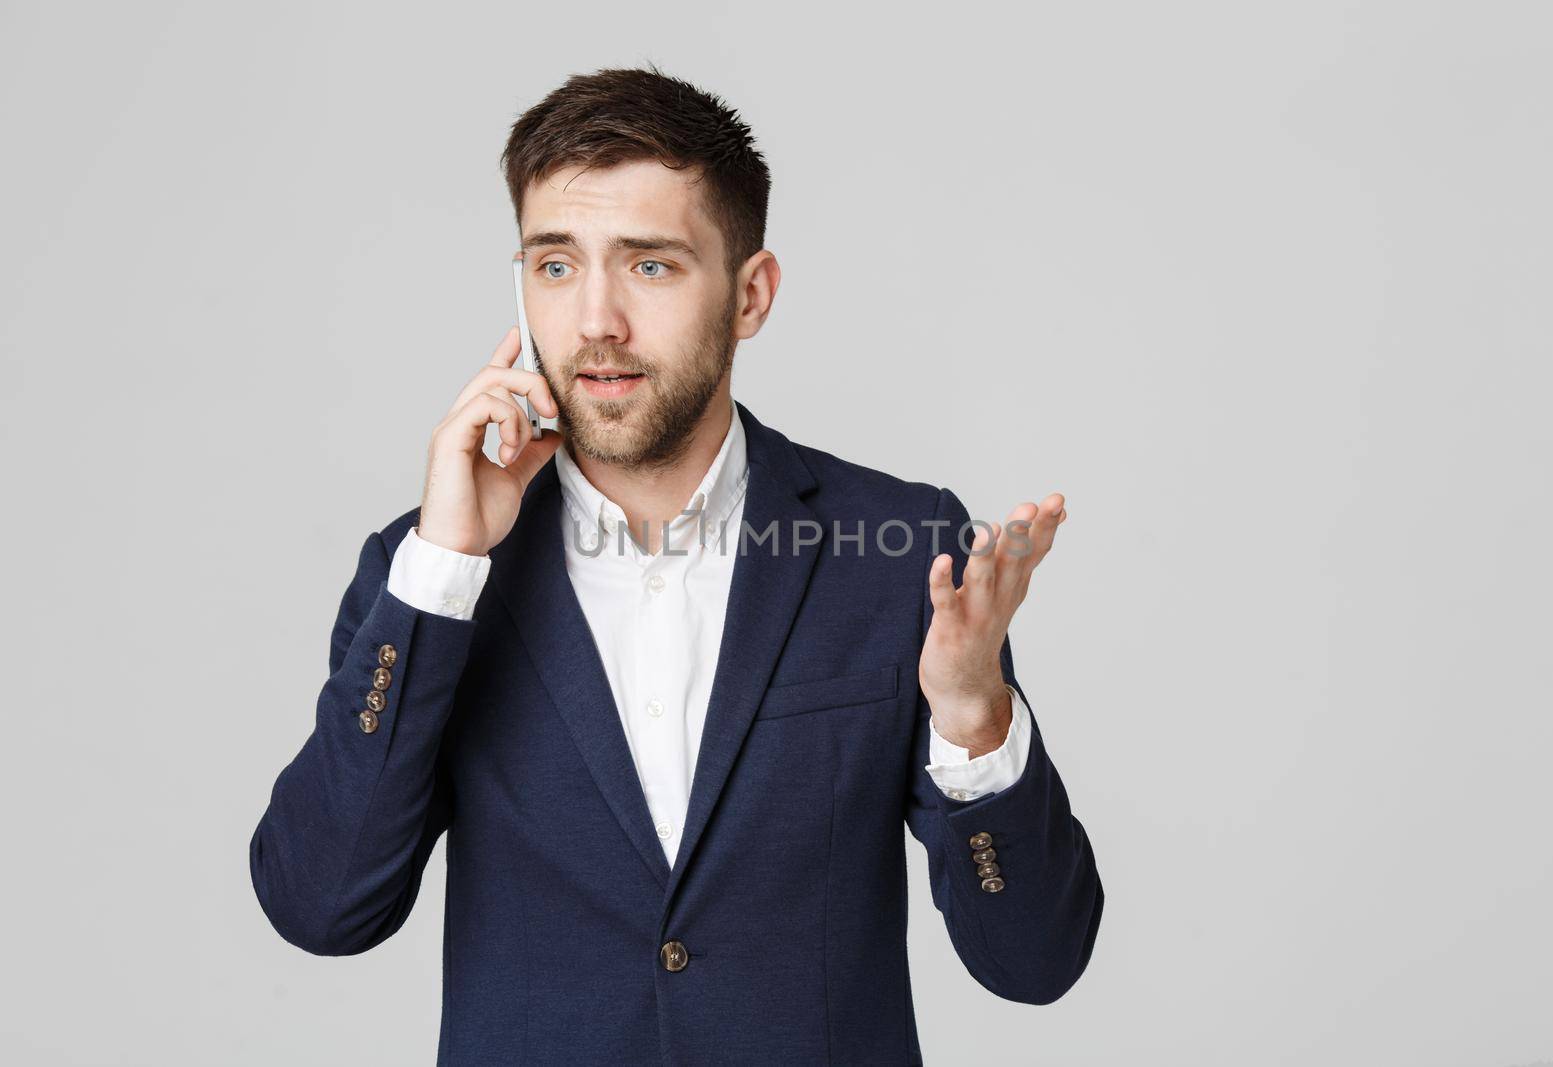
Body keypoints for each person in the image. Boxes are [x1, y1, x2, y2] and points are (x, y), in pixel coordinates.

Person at [249, 63, 1103, 1065]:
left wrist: (972, 717)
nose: (595, 320)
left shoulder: (904, 552)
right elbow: (321, 903)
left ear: (749, 295)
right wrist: (444, 569)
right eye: (555, 264)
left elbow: (1034, 958)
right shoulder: (424, 572)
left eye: (649, 265)